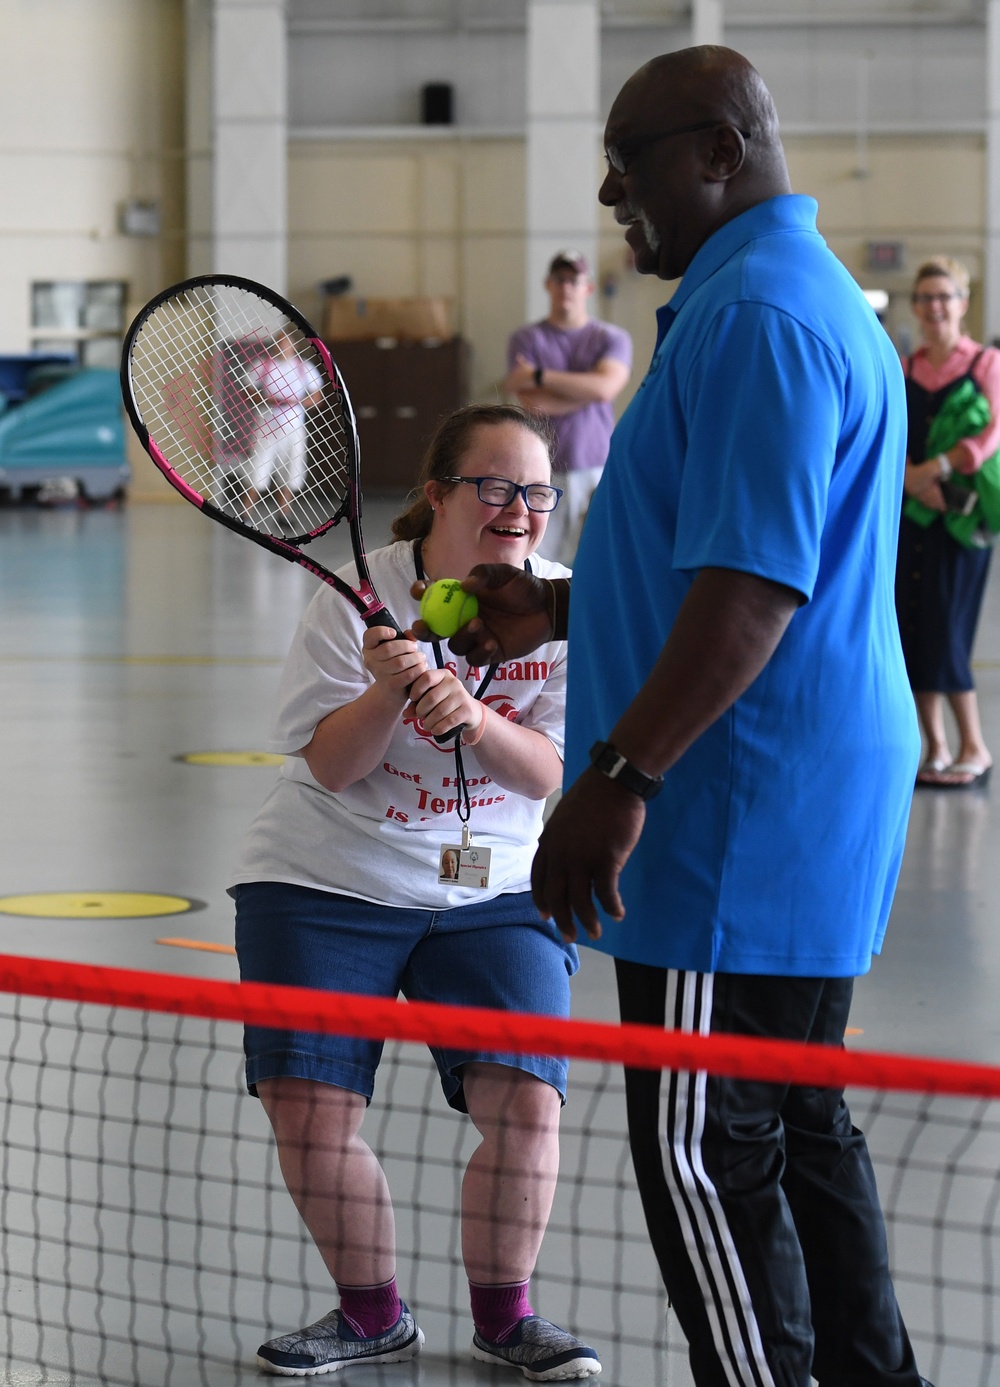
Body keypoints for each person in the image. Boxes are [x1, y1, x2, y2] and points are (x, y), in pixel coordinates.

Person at [420, 45, 932, 1387]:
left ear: (717, 149)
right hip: (792, 783)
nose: (608, 190)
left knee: (702, 1144)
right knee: (796, 1120)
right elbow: (735, 551)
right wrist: (566, 604)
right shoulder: (765, 299)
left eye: (628, 158)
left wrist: (617, 774)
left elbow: (756, 590)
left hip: (734, 802)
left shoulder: (760, 315)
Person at [230, 403, 600, 1381]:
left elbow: (545, 770)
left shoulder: (563, 605)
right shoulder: (358, 598)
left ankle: (509, 1317)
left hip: (492, 884)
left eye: (536, 492)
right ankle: (370, 1314)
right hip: (325, 872)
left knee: (526, 1100)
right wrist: (389, 687)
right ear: (435, 495)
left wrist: (473, 717)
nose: (518, 509)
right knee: (309, 1105)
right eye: (493, 486)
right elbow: (332, 764)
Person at [896, 255, 1000, 789]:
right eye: (926, 298)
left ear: (963, 304)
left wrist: (933, 471)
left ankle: (975, 747)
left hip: (959, 518)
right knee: (913, 624)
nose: (934, 307)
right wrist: (909, 479)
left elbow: (991, 436)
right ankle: (935, 747)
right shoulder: (907, 366)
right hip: (912, 514)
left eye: (945, 297)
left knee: (948, 627)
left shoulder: (984, 363)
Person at [505, 251, 632, 565]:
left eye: (574, 280)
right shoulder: (526, 338)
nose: (566, 287)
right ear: (548, 284)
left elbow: (606, 389)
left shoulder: (611, 338)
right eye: (559, 280)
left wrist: (538, 375)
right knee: (535, 558)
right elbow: (536, 404)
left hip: (595, 468)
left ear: (587, 288)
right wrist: (590, 387)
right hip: (543, 468)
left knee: (591, 560)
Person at [243, 328, 324, 516]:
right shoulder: (261, 366)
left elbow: (317, 397)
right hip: (266, 426)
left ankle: (284, 513)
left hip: (294, 427)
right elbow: (247, 392)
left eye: (286, 343)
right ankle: (245, 513)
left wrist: (297, 402)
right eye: (279, 343)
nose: (283, 347)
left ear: (294, 345)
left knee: (291, 470)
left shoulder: (305, 368)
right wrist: (270, 400)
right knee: (257, 469)